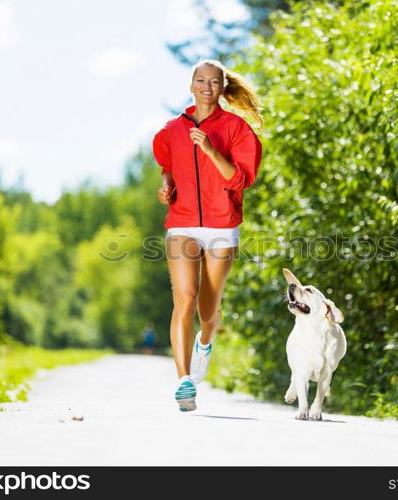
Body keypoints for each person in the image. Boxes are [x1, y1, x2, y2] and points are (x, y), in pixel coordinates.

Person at [152, 59, 263, 412]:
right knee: (184, 296)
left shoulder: (236, 129)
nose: (206, 86)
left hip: (221, 224)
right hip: (182, 222)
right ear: (191, 85)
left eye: (213, 81)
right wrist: (166, 185)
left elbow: (240, 180)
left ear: (222, 88)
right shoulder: (172, 129)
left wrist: (210, 150)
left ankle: (205, 341)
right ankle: (185, 381)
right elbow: (168, 167)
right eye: (200, 80)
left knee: (207, 308)